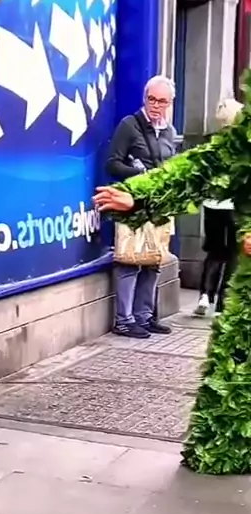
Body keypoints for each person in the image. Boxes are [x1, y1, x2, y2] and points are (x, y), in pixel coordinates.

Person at [92, 89, 251, 475]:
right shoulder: (241, 143)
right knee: (232, 375)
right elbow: (196, 170)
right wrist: (138, 196)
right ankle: (228, 448)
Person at [106, 75, 177, 339]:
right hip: (132, 203)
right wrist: (139, 174)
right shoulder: (130, 125)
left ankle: (144, 316)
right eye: (151, 99)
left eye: (162, 101)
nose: (156, 105)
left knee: (154, 260)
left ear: (170, 103)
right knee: (130, 260)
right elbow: (112, 164)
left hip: (159, 205)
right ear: (144, 98)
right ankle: (124, 320)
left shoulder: (169, 130)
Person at [194, 99, 242, 316]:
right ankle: (223, 303)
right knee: (232, 253)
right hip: (233, 205)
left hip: (211, 205)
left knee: (214, 251)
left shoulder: (210, 142)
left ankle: (205, 295)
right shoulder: (241, 145)